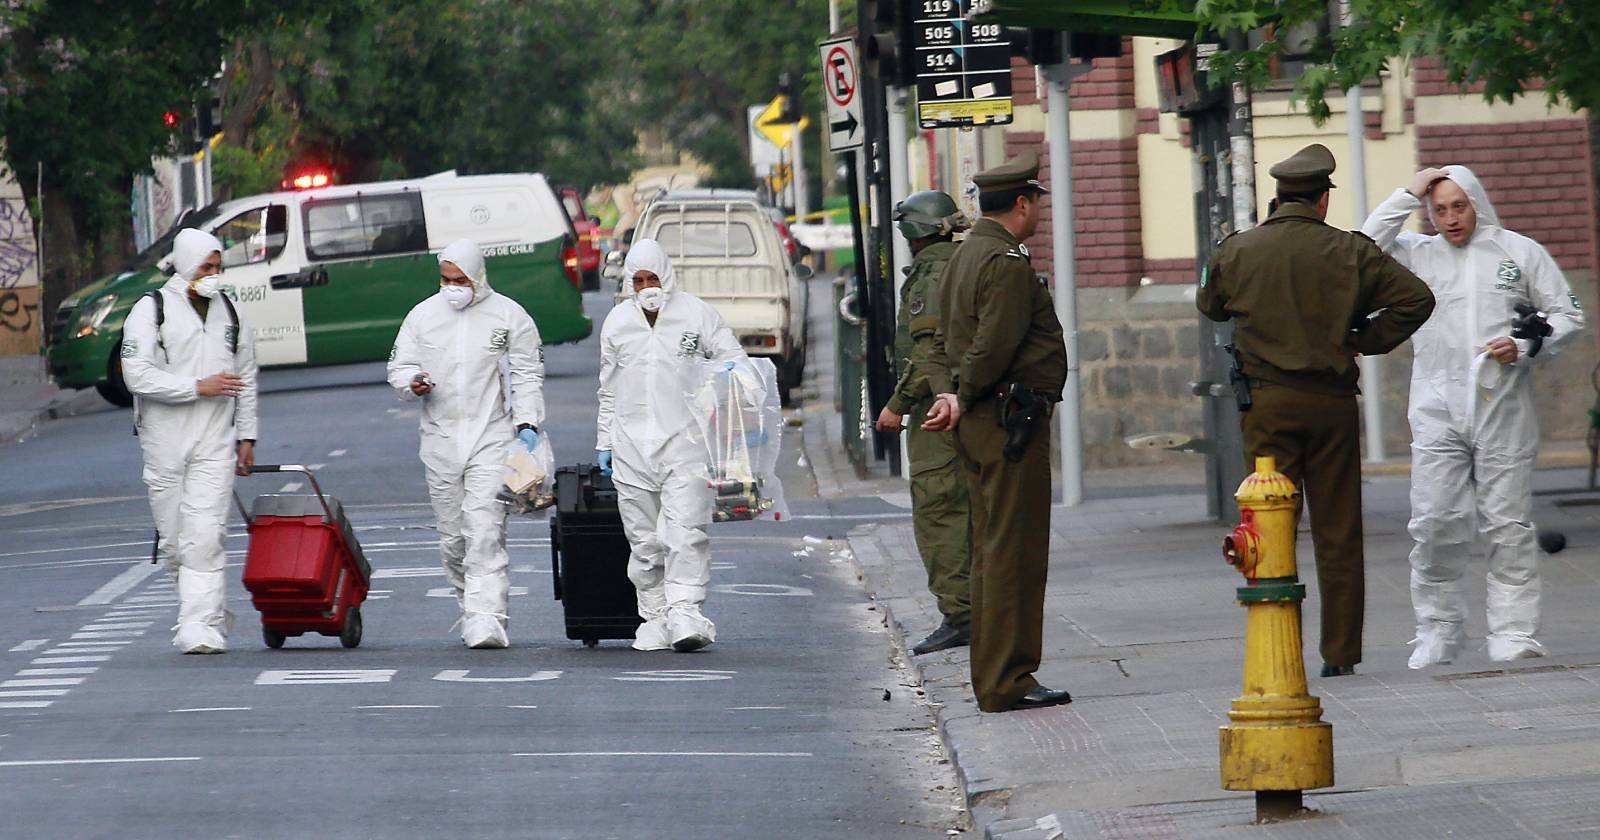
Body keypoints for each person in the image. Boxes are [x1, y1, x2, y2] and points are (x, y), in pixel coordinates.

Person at [1198, 143, 1435, 677]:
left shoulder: (1238, 250)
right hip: (1329, 405)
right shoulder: (1350, 251)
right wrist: (1362, 338)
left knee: (1267, 523)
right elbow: (1417, 299)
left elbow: (1209, 304)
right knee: (1338, 532)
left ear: (1278, 199)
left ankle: (1272, 638)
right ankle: (1340, 654)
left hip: (1266, 406)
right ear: (1323, 200)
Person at [1364, 166, 1585, 666]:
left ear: (1476, 203)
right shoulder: (1416, 254)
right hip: (1436, 404)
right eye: (1438, 209)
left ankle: (1513, 629)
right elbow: (1363, 246)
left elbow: (1566, 314)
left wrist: (1527, 343)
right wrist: (1407, 191)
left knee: (1507, 521)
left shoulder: (1518, 251)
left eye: (1458, 206)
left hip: (1500, 401)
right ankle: (1437, 626)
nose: (1449, 218)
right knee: (1435, 519)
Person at [921, 152, 1071, 712]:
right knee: (1016, 553)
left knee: (990, 551)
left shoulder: (964, 256)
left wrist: (947, 391)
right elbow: (995, 344)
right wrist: (961, 392)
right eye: (1037, 204)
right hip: (1010, 424)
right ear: (1023, 203)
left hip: (982, 423)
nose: (1039, 213)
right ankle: (1008, 680)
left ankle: (994, 676)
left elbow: (940, 344)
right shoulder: (1004, 261)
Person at [387, 238, 546, 649]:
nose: (453, 286)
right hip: (439, 439)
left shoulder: (509, 316)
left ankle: (487, 616)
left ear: (478, 277)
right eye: (445, 278)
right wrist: (412, 383)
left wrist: (528, 422)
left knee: (484, 529)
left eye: (461, 279)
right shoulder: (422, 317)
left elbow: (527, 372)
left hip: (492, 436)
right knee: (454, 538)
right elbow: (399, 367)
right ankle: (468, 603)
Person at [596, 238, 750, 653]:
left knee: (685, 533)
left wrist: (727, 374)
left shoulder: (697, 315)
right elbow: (608, 388)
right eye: (638, 280)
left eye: (653, 278)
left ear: (668, 275)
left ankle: (685, 611)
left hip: (686, 443)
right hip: (630, 446)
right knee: (644, 542)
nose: (646, 286)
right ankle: (655, 614)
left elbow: (734, 361)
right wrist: (604, 441)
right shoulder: (617, 323)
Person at [121, 228, 259, 654]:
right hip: (164, 442)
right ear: (184, 265)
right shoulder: (151, 311)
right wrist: (196, 387)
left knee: (207, 534)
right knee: (177, 541)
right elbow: (136, 375)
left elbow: (247, 375)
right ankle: (198, 612)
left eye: (219, 266)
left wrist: (247, 435)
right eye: (206, 267)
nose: (214, 274)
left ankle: (200, 625)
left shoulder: (229, 312)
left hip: (215, 441)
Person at [875, 190, 973, 656]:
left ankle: (961, 615)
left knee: (940, 512)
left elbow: (926, 349)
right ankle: (974, 609)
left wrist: (897, 404)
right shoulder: (962, 261)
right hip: (961, 406)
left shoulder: (932, 273)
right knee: (964, 509)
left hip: (936, 411)